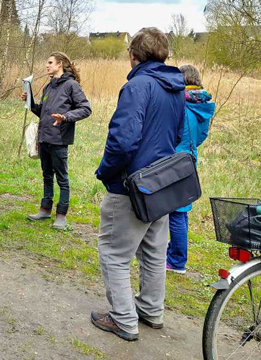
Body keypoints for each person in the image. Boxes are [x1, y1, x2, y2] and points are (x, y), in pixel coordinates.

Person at [91, 27, 185, 341]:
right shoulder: (176, 88)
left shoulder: (138, 86)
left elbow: (122, 142)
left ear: (134, 56)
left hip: (131, 186)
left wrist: (105, 172)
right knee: (155, 252)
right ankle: (151, 310)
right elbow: (176, 136)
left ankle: (123, 319)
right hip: (163, 183)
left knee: (114, 254)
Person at [22, 52, 92, 229]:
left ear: (60, 64)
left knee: (62, 178)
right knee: (47, 175)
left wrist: (66, 117)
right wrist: (30, 103)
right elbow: (42, 112)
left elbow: (86, 109)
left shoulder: (71, 85)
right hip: (44, 138)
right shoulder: (48, 87)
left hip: (59, 139)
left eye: (50, 62)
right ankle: (45, 210)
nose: (47, 66)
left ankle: (61, 215)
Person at [166, 65, 215, 274]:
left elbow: (172, 133)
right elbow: (201, 137)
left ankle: (177, 261)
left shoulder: (182, 105)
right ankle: (175, 255)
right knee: (182, 212)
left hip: (175, 162)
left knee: (176, 214)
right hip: (189, 162)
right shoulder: (202, 105)